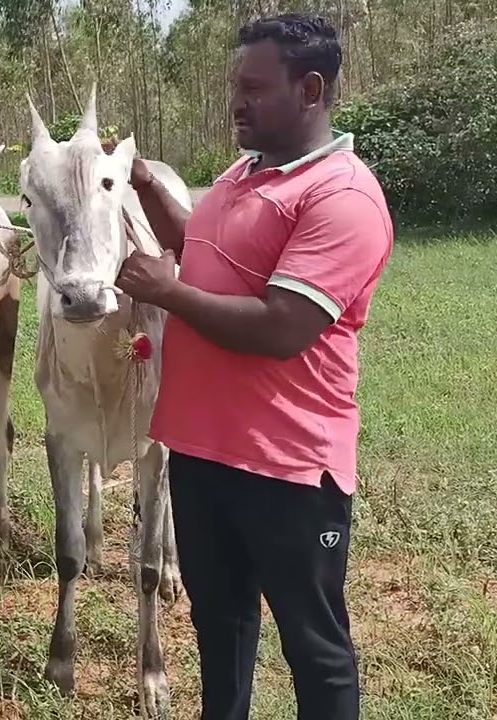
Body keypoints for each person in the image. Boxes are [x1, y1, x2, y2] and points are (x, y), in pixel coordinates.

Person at [115, 13, 393, 720]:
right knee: (222, 630)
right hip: (204, 455)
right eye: (234, 86)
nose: (235, 102)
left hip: (289, 469)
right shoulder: (243, 174)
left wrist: (165, 290)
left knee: (314, 648)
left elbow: (282, 326)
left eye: (252, 88)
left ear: (310, 90)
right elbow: (202, 250)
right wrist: (145, 184)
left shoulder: (342, 196)